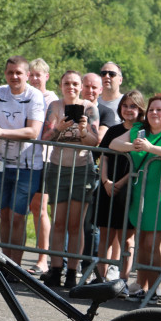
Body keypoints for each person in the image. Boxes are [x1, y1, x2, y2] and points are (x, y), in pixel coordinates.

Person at [108, 93, 161, 303]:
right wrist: (134, 146)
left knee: (153, 242)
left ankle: (154, 288)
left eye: (159, 110)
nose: (154, 113)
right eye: (151, 109)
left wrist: (151, 149)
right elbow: (114, 144)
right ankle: (142, 287)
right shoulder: (138, 131)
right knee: (142, 241)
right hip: (139, 192)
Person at [0, 55, 46, 267]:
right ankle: (4, 263)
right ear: (5, 74)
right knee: (5, 214)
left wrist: (0, 131)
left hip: (27, 166)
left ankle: (14, 266)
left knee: (19, 217)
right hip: (1, 162)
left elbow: (33, 131)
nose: (14, 76)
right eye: (10, 72)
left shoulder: (35, 96)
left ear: (27, 75)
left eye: (19, 72)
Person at [40, 70, 100, 288]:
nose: (71, 87)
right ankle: (55, 270)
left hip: (82, 170)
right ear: (61, 84)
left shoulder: (90, 108)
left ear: (81, 86)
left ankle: (73, 273)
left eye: (75, 83)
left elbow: (94, 142)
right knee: (58, 223)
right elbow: (44, 137)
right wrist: (59, 128)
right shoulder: (54, 106)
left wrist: (83, 131)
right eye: (67, 83)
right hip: (57, 169)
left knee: (76, 225)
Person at [97, 90, 143, 291]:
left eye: (133, 106)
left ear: (140, 109)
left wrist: (121, 182)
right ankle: (100, 277)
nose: (128, 110)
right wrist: (106, 181)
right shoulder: (113, 130)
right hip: (107, 187)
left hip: (129, 188)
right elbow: (104, 156)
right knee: (105, 235)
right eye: (125, 105)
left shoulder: (143, 133)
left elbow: (140, 163)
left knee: (127, 238)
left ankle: (123, 280)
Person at [25, 57, 57, 276]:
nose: (35, 79)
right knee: (31, 207)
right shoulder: (26, 95)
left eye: (39, 75)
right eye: (32, 74)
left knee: (40, 207)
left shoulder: (51, 100)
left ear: (46, 76)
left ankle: (44, 258)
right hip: (25, 157)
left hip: (44, 158)